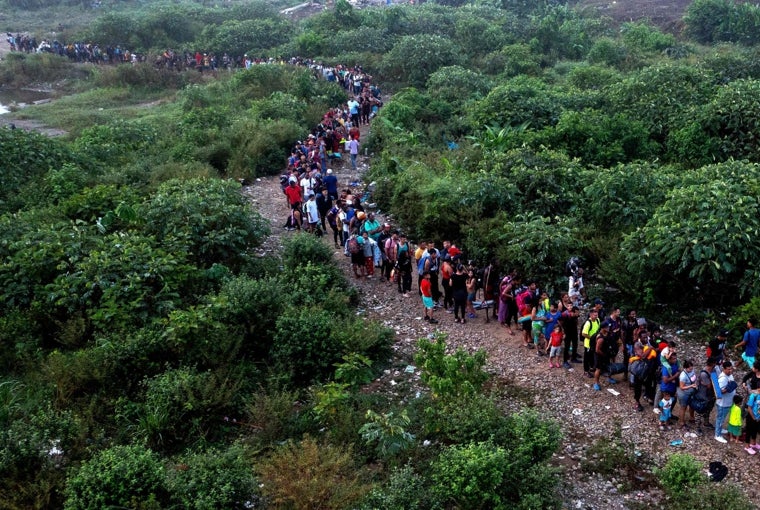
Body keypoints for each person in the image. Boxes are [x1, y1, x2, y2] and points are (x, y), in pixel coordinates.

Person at [715, 361, 737, 444]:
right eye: (728, 369)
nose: (730, 371)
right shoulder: (722, 378)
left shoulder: (730, 375)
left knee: (722, 418)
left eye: (731, 369)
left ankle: (719, 429)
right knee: (720, 418)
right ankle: (717, 435)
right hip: (722, 403)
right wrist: (728, 388)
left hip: (728, 401)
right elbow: (719, 392)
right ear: (723, 369)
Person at [677, 360, 698, 428]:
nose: (691, 370)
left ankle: (692, 418)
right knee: (683, 407)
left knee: (692, 406)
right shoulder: (683, 376)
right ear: (685, 368)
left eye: (692, 368)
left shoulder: (692, 371)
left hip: (692, 391)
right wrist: (691, 386)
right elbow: (682, 387)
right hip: (684, 393)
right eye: (689, 369)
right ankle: (681, 422)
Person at [581, 309, 601, 378]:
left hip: (595, 342)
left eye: (597, 315)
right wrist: (592, 338)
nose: (596, 316)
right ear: (590, 315)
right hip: (588, 344)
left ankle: (591, 367)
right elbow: (583, 334)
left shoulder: (598, 320)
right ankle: (586, 371)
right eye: (594, 315)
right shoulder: (588, 323)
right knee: (587, 357)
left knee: (592, 356)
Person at [744, 389, 760, 454]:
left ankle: (754, 443)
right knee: (749, 431)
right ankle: (747, 446)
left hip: (758, 417)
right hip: (751, 417)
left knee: (755, 430)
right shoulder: (753, 395)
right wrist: (753, 418)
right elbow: (749, 408)